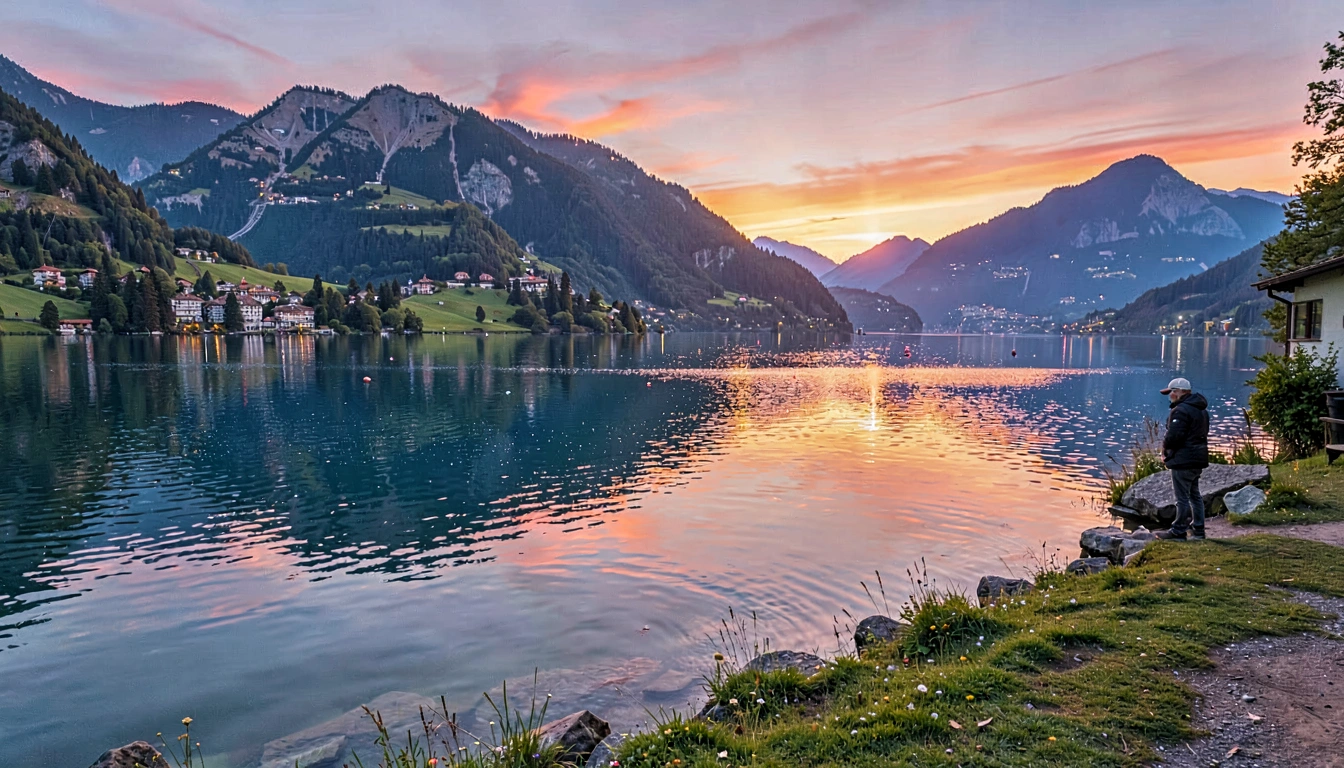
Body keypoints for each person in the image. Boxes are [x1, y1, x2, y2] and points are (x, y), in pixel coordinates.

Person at [1155, 377, 1210, 541]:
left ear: (1179, 392)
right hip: (1198, 458)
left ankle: (1178, 531)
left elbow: (1174, 436)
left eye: (1171, 392)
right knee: (1195, 495)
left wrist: (1165, 450)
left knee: (1182, 498)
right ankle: (1198, 529)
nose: (1170, 396)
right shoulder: (1201, 410)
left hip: (1183, 460)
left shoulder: (1180, 410)